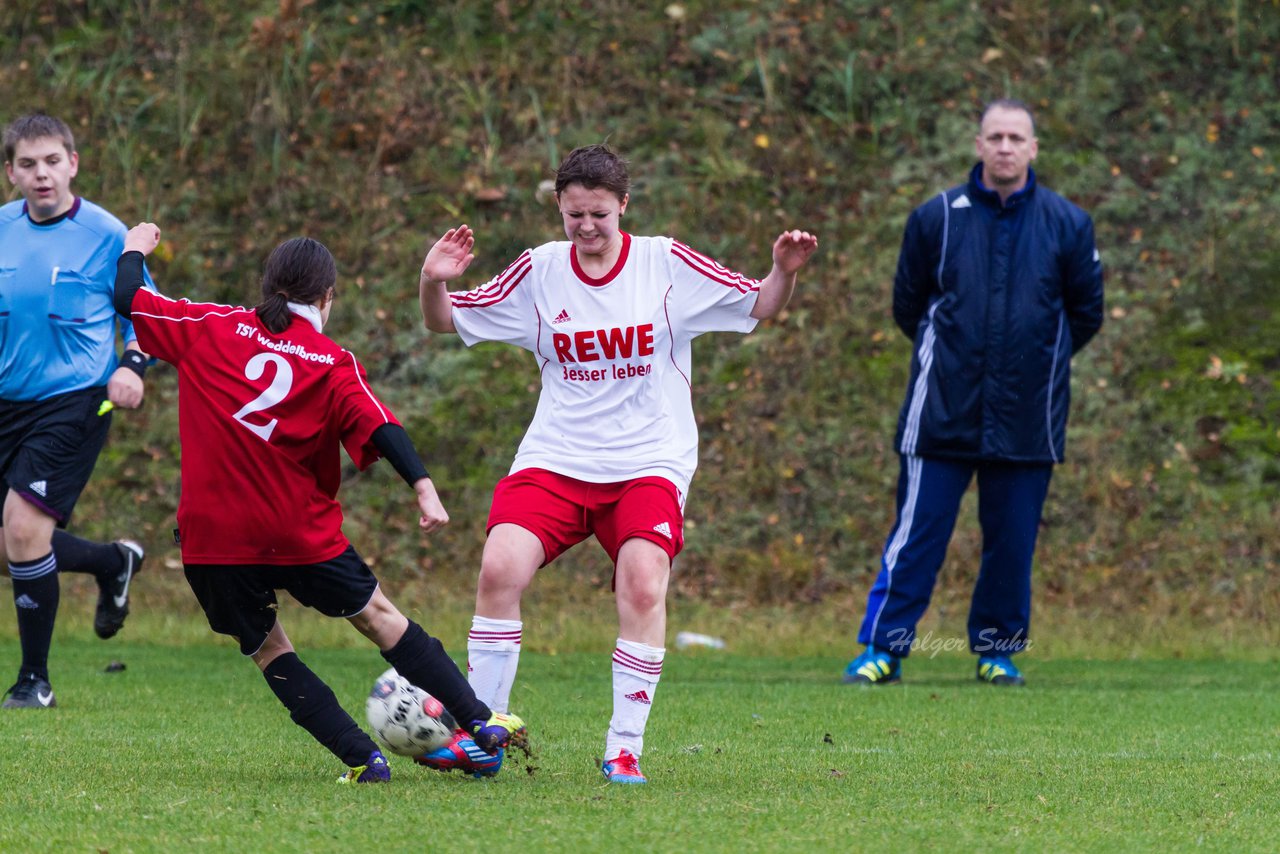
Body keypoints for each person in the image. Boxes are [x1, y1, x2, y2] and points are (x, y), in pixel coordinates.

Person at [416, 143, 818, 783]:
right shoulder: (538, 272)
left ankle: (623, 747)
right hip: (557, 456)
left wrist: (784, 271)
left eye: (599, 214)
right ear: (559, 207)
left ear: (623, 205)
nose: (586, 227)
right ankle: (482, 731)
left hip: (649, 459)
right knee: (499, 568)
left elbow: (763, 305)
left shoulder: (664, 263)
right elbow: (446, 323)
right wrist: (434, 280)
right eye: (574, 214)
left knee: (641, 583)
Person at [114, 223, 526, 783]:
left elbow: (129, 298)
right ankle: (482, 721)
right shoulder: (331, 361)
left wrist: (135, 247)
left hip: (214, 538)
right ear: (327, 298)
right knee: (381, 619)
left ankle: (363, 759)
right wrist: (423, 487)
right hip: (297, 533)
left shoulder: (211, 327)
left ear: (267, 287)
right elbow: (381, 427)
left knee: (268, 649)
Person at [843, 99, 1104, 687]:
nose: (1006, 146)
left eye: (1017, 137)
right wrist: (957, 362)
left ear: (1034, 148)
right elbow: (908, 308)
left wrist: (1034, 362)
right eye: (996, 136)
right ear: (978, 145)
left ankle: (997, 652)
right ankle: (883, 651)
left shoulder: (1068, 224)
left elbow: (1084, 316)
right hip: (940, 414)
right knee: (916, 540)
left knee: (1010, 547)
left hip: (1027, 420)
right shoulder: (935, 218)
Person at [1, 113, 152, 710]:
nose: (42, 174)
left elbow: (148, 318)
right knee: (13, 548)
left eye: (53, 161)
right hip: (6, 402)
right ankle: (113, 562)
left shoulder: (109, 236)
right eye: (29, 164)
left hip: (75, 402)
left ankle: (33, 681)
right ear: (11, 172)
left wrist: (131, 367)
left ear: (74, 163)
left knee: (22, 528)